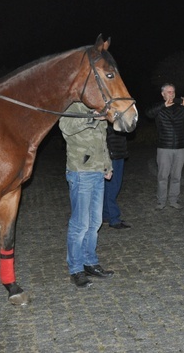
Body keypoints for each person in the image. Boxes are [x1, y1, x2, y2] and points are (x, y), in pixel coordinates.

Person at [59, 102, 115, 288]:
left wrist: (107, 165)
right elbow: (65, 128)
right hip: (81, 171)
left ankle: (90, 262)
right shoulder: (73, 107)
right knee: (80, 224)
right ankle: (76, 269)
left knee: (95, 222)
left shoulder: (98, 107)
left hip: (98, 171)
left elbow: (102, 141)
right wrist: (91, 117)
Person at [146, 83, 184, 210]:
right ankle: (161, 201)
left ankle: (173, 200)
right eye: (168, 92)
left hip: (180, 147)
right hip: (164, 147)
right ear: (163, 94)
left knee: (176, 176)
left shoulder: (180, 107)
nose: (171, 94)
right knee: (163, 176)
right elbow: (148, 114)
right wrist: (163, 105)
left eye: (173, 92)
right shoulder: (158, 107)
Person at [104, 124, 131, 229]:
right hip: (112, 153)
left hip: (118, 152)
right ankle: (114, 219)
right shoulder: (109, 115)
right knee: (113, 187)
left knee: (110, 186)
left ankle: (106, 215)